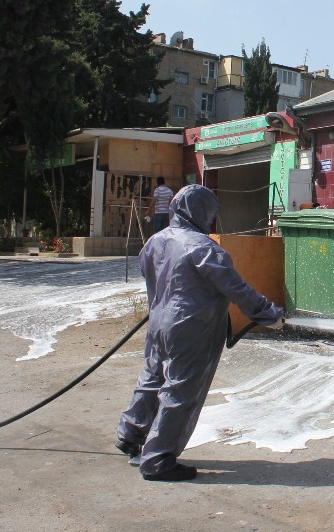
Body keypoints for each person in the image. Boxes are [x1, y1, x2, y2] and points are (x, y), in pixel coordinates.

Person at [117, 184, 285, 482]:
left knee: (152, 377)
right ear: (200, 212)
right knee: (181, 390)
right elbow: (235, 288)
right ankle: (158, 459)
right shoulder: (204, 248)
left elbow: (149, 273)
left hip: (158, 323)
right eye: (209, 213)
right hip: (190, 327)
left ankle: (131, 434)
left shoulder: (156, 241)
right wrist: (269, 314)